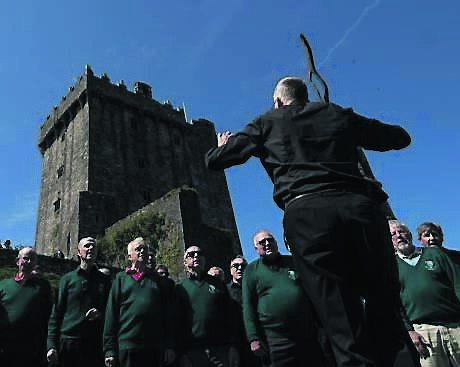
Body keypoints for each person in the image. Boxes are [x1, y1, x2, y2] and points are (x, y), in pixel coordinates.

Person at [205, 76, 417, 366]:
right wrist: (342, 124)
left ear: (277, 101)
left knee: (339, 317)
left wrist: (222, 145)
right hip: (360, 210)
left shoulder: (266, 121)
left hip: (308, 216)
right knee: (385, 306)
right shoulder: (336, 114)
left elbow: (215, 160)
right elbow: (399, 137)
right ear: (304, 97)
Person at [243, 229, 326, 367]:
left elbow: (312, 295)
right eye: (262, 242)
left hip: (307, 336)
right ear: (256, 248)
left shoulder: (293, 262)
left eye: (270, 240)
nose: (267, 243)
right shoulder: (252, 270)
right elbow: (248, 306)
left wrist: (321, 327)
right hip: (276, 341)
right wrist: (253, 338)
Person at [389, 220, 460, 366]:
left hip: (455, 325)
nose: (399, 236)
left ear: (409, 234)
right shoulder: (391, 267)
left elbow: (457, 284)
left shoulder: (435, 254)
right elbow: (395, 303)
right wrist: (410, 331)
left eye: (401, 231)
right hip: (423, 331)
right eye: (393, 234)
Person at [103, 237, 176, 367]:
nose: (142, 251)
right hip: (127, 346)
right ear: (130, 256)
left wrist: (169, 346)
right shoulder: (120, 279)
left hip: (154, 347)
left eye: (145, 249)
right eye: (138, 249)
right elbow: (111, 315)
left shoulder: (159, 281)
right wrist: (109, 349)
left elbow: (168, 316)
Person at [47, 237, 111, 367]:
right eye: (87, 246)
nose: (91, 248)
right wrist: (51, 345)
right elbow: (56, 313)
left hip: (94, 344)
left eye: (94, 246)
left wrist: (101, 314)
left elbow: (111, 313)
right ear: (78, 252)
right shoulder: (67, 279)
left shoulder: (104, 281)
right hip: (69, 343)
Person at [175, 245, 239, 367]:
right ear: (184, 262)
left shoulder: (219, 285)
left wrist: (232, 347)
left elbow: (230, 318)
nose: (196, 256)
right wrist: (181, 354)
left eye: (199, 254)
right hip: (193, 352)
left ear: (204, 259)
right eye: (191, 255)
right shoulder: (179, 288)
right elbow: (176, 323)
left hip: (220, 350)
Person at [0, 247, 52, 367]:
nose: (29, 262)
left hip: (32, 351)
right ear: (18, 261)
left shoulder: (43, 286)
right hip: (5, 350)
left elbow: (48, 316)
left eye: (32, 259)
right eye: (26, 258)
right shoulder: (3, 286)